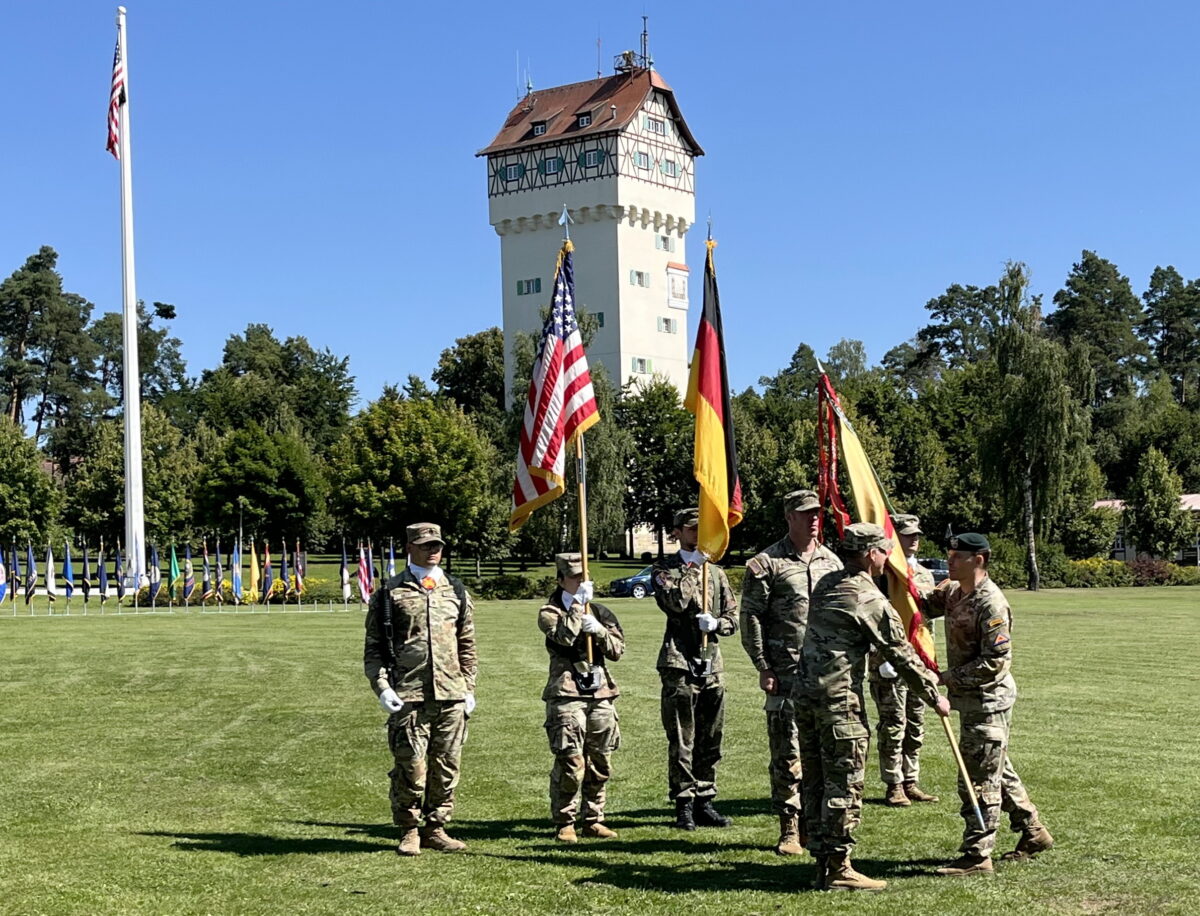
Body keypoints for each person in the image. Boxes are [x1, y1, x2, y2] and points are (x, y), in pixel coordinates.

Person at [795, 522, 951, 892]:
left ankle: (821, 861)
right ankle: (839, 868)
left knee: (816, 782)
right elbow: (901, 654)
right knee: (844, 784)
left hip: (806, 698)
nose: (887, 557)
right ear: (869, 554)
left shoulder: (827, 584)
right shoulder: (868, 598)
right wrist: (934, 695)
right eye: (884, 551)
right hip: (839, 705)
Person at [924, 532, 1053, 876]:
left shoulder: (990, 602)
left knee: (980, 778)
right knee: (998, 769)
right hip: (970, 700)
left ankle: (978, 855)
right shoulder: (953, 591)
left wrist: (947, 678)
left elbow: (995, 661)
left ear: (978, 560)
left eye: (956, 556)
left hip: (988, 699)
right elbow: (920, 604)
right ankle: (1033, 831)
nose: (948, 561)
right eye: (948, 554)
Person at [363, 523, 477, 857]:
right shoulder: (390, 593)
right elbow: (375, 649)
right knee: (410, 766)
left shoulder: (455, 590)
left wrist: (468, 686)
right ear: (410, 547)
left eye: (437, 545)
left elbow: (467, 644)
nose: (433, 550)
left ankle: (436, 827)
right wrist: (382, 687)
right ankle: (409, 829)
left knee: (446, 766)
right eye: (425, 545)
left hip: (451, 693)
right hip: (409, 694)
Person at [740, 488, 842, 856]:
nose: (814, 518)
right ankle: (789, 828)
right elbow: (750, 616)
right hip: (785, 674)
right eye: (805, 513)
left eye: (817, 512)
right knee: (787, 754)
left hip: (825, 675)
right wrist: (763, 665)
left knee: (822, 754)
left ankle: (815, 824)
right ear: (789, 517)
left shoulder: (832, 562)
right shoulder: (766, 563)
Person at [653, 507, 739, 830]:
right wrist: (693, 568)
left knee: (710, 737)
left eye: (701, 528)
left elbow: (733, 618)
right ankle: (684, 804)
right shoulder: (665, 569)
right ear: (677, 532)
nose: (698, 534)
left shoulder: (716, 574)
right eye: (692, 529)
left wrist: (716, 623)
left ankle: (705, 799)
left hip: (712, 665)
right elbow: (674, 601)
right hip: (679, 662)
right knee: (682, 738)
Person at [538, 552, 625, 843]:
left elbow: (616, 650)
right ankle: (565, 821)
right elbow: (563, 637)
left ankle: (594, 818)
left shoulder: (601, 612)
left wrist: (599, 630)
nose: (582, 581)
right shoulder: (550, 611)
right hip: (567, 693)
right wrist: (577, 607)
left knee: (600, 761)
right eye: (575, 577)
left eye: (585, 576)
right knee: (571, 762)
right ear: (561, 580)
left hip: (600, 693)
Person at [867, 513, 940, 807]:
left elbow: (927, 621)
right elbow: (872, 620)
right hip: (887, 662)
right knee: (893, 723)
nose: (915, 540)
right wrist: (879, 656)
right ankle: (893, 783)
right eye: (908, 535)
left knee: (916, 722)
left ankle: (911, 780)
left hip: (917, 661)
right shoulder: (880, 578)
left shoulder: (923, 574)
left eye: (917, 535)